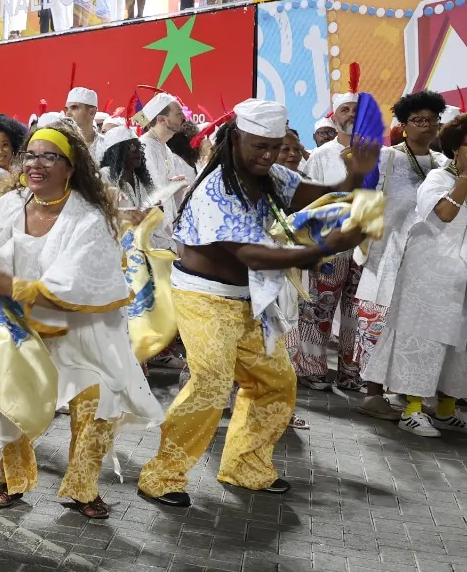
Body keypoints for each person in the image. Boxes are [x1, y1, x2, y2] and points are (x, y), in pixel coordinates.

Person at [137, 100, 378, 507]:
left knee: (275, 384)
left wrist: (355, 176)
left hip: (247, 299)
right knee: (211, 385)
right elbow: (253, 255)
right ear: (234, 139)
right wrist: (322, 247)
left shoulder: (270, 176)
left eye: (274, 146)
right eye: (258, 147)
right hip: (202, 297)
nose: (267, 156)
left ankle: (245, 466)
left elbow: (316, 195)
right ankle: (161, 476)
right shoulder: (217, 189)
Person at [0, 125, 162, 517]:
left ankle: (83, 486)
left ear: (70, 167)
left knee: (97, 402)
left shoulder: (88, 217)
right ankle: (12, 478)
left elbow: (74, 283)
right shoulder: (7, 207)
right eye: (30, 156)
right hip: (22, 323)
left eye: (49, 156)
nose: (36, 164)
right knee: (10, 400)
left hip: (83, 326)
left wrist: (10, 284)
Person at [362, 114, 467, 435]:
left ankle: (446, 408)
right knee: (423, 339)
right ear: (456, 148)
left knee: (458, 344)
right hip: (428, 274)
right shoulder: (438, 178)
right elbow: (445, 213)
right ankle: (412, 409)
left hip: (460, 278)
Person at [350, 91, 449, 420]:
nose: (427, 126)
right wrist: (362, 241)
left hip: (424, 258)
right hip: (387, 252)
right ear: (404, 125)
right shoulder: (386, 157)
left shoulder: (442, 165)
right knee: (378, 317)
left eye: (432, 119)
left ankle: (403, 389)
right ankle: (372, 393)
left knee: (409, 324)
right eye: (418, 120)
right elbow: (364, 198)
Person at [294, 92, 363, 389]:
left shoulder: (380, 153)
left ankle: (351, 373)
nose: (350, 114)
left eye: (356, 110)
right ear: (335, 118)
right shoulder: (322, 155)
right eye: (344, 110)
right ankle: (312, 368)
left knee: (356, 312)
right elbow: (310, 200)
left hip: (365, 246)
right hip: (329, 243)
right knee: (318, 308)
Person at [135, 92, 194, 249]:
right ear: (162, 120)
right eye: (178, 113)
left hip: (165, 232)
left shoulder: (164, 147)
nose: (184, 117)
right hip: (151, 234)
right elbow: (152, 195)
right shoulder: (144, 147)